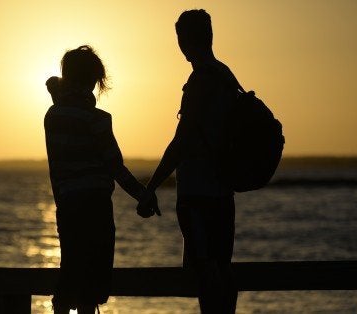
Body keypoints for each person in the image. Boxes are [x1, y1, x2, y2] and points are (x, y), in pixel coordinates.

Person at [137, 9, 240, 313]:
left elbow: (182, 142)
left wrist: (150, 186)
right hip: (224, 193)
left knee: (205, 274)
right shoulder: (226, 75)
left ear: (184, 41)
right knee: (222, 269)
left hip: (197, 194)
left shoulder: (198, 83)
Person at [44, 45, 160, 314]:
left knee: (70, 269)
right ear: (95, 81)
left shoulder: (53, 116)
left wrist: (57, 89)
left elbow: (56, 92)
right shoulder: (97, 120)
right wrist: (143, 194)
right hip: (95, 205)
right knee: (92, 282)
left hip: (67, 204)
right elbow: (116, 167)